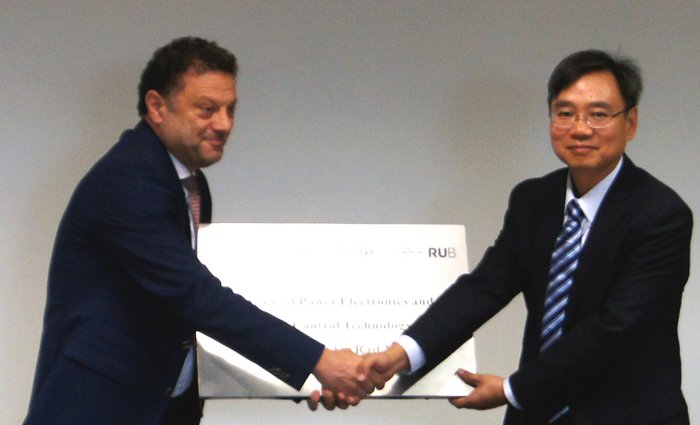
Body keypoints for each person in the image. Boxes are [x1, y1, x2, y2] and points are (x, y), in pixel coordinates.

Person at [24, 36, 372, 425]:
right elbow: (195, 296)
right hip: (98, 408)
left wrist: (307, 376)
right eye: (207, 109)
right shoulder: (128, 179)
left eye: (230, 109)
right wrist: (318, 361)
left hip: (162, 408)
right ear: (157, 107)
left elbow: (186, 317)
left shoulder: (188, 182)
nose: (224, 124)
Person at [353, 50, 693, 424]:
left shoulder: (661, 215)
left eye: (598, 114)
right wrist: (400, 355)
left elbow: (617, 329)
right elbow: (484, 288)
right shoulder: (533, 200)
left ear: (630, 123)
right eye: (565, 113)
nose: (580, 129)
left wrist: (513, 390)